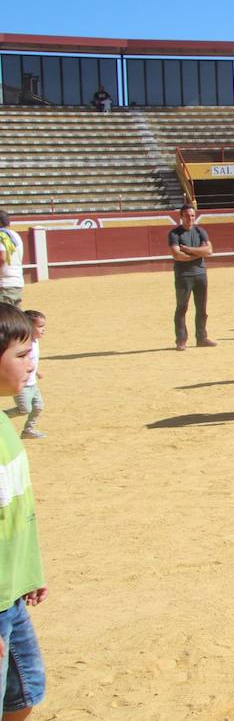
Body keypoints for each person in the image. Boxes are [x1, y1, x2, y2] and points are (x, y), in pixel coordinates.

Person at [0, 302, 51, 716]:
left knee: (24, 699)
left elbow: (16, 514)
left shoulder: (3, 421)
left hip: (11, 593)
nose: (31, 362)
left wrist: (28, 572)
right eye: (20, 354)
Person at [168, 204, 216, 351]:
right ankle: (181, 340)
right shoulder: (174, 234)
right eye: (187, 216)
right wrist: (198, 254)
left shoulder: (201, 231)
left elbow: (209, 251)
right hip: (184, 276)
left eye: (193, 216)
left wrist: (188, 250)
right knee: (182, 307)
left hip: (201, 274)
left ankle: (201, 338)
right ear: (181, 217)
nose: (190, 219)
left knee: (202, 308)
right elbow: (177, 255)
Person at [12, 309, 46, 439]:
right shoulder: (24, 344)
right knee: (24, 409)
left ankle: (28, 430)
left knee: (38, 407)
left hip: (33, 384)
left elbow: (31, 361)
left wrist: (37, 371)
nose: (43, 329)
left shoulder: (36, 342)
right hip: (23, 384)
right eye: (40, 326)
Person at [0, 212, 23, 306]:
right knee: (15, 319)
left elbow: (2, 257)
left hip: (5, 284)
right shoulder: (15, 235)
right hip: (17, 282)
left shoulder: (1, 235)